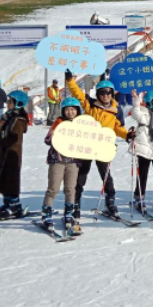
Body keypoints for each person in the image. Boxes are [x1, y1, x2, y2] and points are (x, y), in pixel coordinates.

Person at [66, 69, 135, 218]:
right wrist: (70, 81)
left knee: (106, 175)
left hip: (103, 147)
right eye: (103, 93)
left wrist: (127, 135)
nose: (106, 96)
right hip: (87, 146)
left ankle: (110, 201)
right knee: (81, 175)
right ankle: (75, 204)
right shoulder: (91, 105)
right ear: (98, 94)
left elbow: (118, 127)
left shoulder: (116, 110)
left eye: (108, 93)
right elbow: (77, 94)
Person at [41, 97, 84, 234]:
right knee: (53, 188)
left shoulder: (81, 124)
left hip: (73, 162)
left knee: (70, 189)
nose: (70, 112)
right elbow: (48, 139)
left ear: (77, 111)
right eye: (67, 110)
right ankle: (46, 214)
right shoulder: (58, 123)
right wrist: (54, 136)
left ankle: (69, 214)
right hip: (57, 161)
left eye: (73, 109)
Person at [0, 90, 30, 219]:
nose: (7, 103)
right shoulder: (9, 117)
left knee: (11, 180)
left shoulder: (18, 120)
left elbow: (13, 138)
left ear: (18, 103)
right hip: (5, 152)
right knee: (4, 179)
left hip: (12, 154)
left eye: (10, 101)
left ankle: (14, 205)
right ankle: (8, 203)